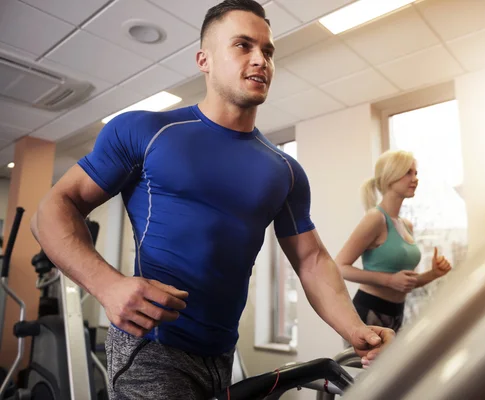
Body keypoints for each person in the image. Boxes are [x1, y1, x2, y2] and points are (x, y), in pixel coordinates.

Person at [30, 1, 394, 399]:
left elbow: (312, 260)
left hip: (221, 353)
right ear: (204, 59)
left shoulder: (284, 171)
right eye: (243, 45)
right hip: (151, 346)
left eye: (268, 50)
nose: (261, 59)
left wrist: (354, 329)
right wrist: (108, 286)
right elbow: (53, 209)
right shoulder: (146, 131)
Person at [336, 150, 452, 333]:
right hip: (369, 312)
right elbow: (340, 267)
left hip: (396, 313)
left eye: (416, 173)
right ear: (391, 176)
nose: (415, 178)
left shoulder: (406, 225)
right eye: (408, 172)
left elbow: (405, 283)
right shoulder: (375, 218)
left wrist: (434, 273)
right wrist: (388, 280)